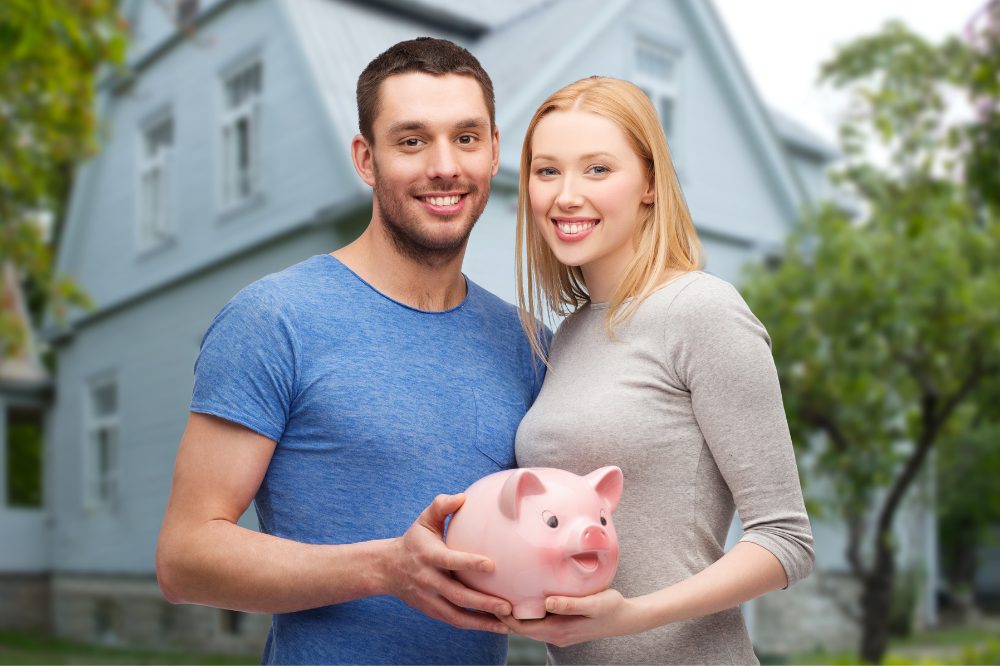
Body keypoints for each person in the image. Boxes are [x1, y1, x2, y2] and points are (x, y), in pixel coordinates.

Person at [155, 38, 544, 665]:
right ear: (366, 159)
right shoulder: (275, 318)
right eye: (412, 141)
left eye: (466, 138)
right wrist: (385, 568)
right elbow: (184, 558)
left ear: (494, 150)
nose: (445, 166)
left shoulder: (526, 344)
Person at [502, 77, 815, 665]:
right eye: (547, 172)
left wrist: (631, 616)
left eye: (597, 170)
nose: (566, 196)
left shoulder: (703, 311)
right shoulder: (566, 337)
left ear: (649, 183)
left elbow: (786, 541)